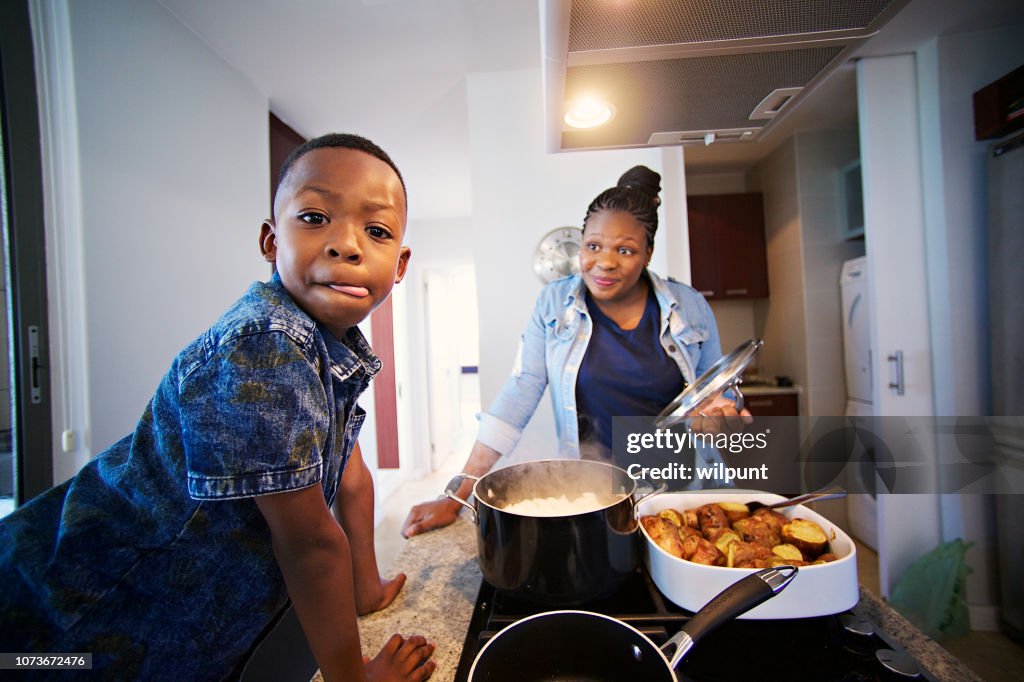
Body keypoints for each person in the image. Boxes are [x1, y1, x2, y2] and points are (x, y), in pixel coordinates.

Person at [0, 133, 435, 681]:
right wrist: (354, 678)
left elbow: (349, 474)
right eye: (315, 217)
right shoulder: (265, 342)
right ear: (270, 241)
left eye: (375, 231)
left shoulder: (334, 344)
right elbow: (309, 543)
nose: (346, 244)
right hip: (78, 605)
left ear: (399, 264)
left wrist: (365, 591)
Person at [402, 165, 750, 538]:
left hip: (680, 496)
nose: (605, 262)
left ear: (648, 254)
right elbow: (518, 395)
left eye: (625, 250)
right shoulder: (555, 305)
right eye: (593, 245)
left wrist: (720, 417)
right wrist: (458, 492)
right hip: (594, 495)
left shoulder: (690, 305)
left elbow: (719, 394)